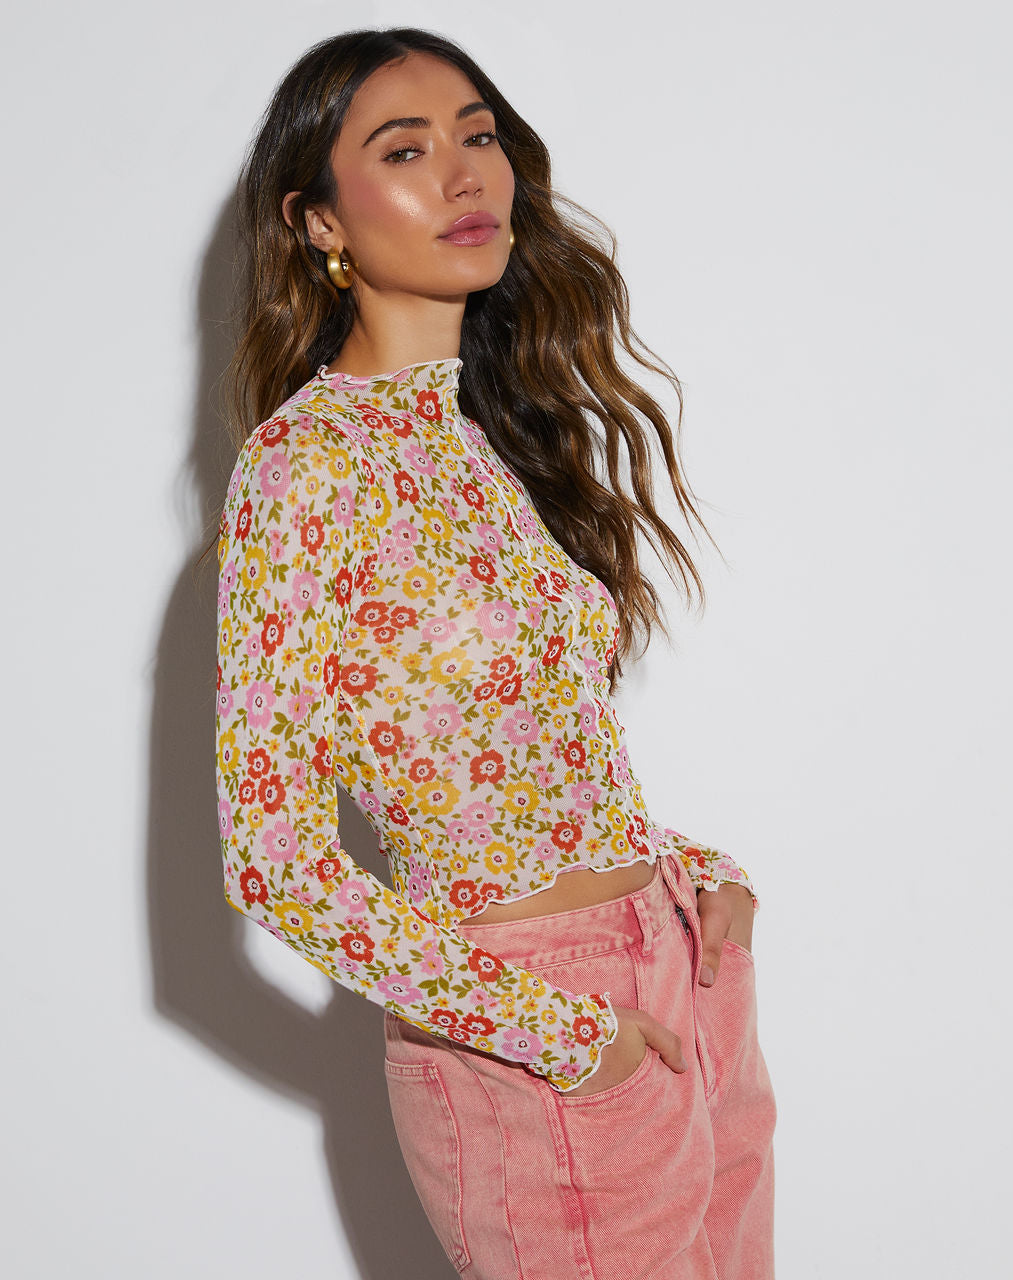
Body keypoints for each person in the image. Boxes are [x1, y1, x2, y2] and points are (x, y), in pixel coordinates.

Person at [215, 26, 776, 1279]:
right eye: (404, 150)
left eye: (477, 136)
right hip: (539, 1036)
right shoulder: (305, 468)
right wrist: (563, 1034)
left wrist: (698, 882)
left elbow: (521, 758)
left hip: (677, 971)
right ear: (319, 222)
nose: (464, 173)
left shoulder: (485, 439)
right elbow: (274, 862)